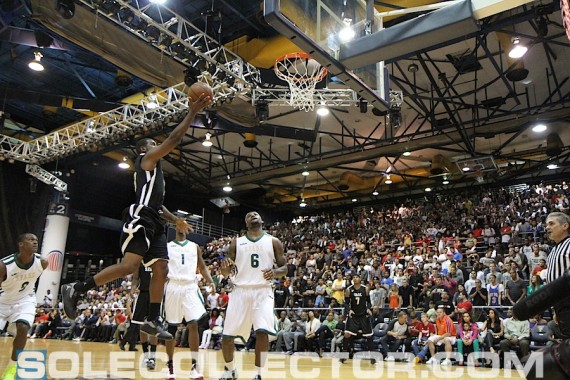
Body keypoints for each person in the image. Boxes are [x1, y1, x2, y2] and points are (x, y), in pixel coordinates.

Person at [61, 92, 211, 340]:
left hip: (155, 221)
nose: (158, 148)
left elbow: (158, 205)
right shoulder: (146, 160)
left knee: (161, 268)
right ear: (145, 149)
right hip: (140, 218)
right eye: (154, 145)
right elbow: (173, 139)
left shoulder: (152, 175)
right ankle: (77, 287)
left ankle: (152, 319)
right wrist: (192, 113)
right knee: (130, 266)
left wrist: (175, 220)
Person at [218, 211, 287, 380]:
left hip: (263, 291)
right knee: (227, 336)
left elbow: (284, 268)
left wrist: (276, 272)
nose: (252, 215)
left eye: (255, 214)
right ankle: (230, 370)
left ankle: (258, 373)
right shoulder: (236, 243)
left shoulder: (273, 241)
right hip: (240, 291)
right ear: (245, 223)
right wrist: (224, 269)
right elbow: (227, 270)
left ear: (262, 220)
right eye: (248, 215)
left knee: (262, 332)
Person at [164, 225, 214, 379]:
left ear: (188, 229)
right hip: (173, 286)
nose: (181, 227)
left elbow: (202, 266)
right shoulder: (167, 247)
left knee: (193, 325)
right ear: (175, 227)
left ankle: (194, 367)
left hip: (190, 287)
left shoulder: (195, 247)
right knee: (171, 328)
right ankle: (170, 368)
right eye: (179, 224)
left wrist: (210, 281)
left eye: (184, 225)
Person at [0, 233, 48, 380]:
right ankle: (9, 326)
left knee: (23, 328)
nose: (35, 242)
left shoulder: (43, 262)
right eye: (30, 240)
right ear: (20, 244)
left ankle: (12, 367)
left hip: (25, 300)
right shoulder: (4, 265)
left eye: (36, 240)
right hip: (3, 301)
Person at [544, 212, 570, 338]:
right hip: (559, 305)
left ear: (565, 226)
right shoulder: (552, 251)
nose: (547, 227)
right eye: (546, 225)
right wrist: (556, 310)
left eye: (551, 223)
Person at [340, 273, 375, 364]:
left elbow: (369, 302)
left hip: (363, 315)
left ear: (360, 279)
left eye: (357, 277)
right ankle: (344, 355)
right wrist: (349, 310)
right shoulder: (348, 290)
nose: (355, 279)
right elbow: (346, 303)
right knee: (347, 334)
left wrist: (368, 308)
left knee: (369, 336)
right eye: (354, 277)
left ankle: (373, 357)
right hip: (354, 316)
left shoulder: (365, 289)